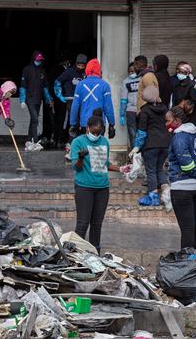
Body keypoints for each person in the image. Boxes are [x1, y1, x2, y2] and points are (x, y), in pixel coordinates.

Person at [70, 110, 119, 254]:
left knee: (97, 224)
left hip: (103, 188)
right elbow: (75, 167)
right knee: (83, 223)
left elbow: (105, 163)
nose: (96, 135)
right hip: (84, 187)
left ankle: (95, 252)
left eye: (99, 133)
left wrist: (121, 169)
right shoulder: (78, 142)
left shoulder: (104, 142)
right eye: (94, 132)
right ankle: (75, 253)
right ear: (87, 128)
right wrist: (80, 158)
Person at [166, 105, 196, 253]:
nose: (166, 124)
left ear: (177, 120)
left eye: (168, 120)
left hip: (182, 189)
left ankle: (188, 264)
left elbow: (186, 164)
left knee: (187, 229)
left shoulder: (179, 137)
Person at [129, 86, 170, 206]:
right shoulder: (164, 108)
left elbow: (142, 132)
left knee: (151, 171)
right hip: (165, 143)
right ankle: (167, 194)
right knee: (159, 169)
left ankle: (153, 197)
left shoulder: (145, 111)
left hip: (151, 144)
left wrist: (136, 146)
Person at [69, 59, 115, 140]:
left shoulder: (80, 85)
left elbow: (75, 106)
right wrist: (111, 124)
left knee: (85, 149)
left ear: (87, 70)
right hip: (99, 124)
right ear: (99, 70)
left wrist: (72, 124)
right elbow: (108, 107)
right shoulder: (105, 85)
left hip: (85, 123)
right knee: (98, 150)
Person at [20, 51, 53, 151]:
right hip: (29, 98)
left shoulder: (42, 71)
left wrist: (48, 99)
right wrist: (22, 99)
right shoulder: (27, 69)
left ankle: (29, 140)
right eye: (37, 60)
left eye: (40, 60)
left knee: (33, 120)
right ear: (33, 59)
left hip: (38, 99)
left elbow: (45, 87)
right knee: (35, 119)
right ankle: (36, 141)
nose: (39, 62)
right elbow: (23, 85)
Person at [54, 53, 87, 153]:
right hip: (71, 99)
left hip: (83, 100)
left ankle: (80, 141)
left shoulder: (85, 73)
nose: (80, 67)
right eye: (79, 65)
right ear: (76, 63)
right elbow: (57, 82)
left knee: (83, 121)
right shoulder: (69, 72)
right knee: (73, 120)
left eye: (83, 65)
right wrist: (59, 95)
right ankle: (71, 142)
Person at [171, 61, 196, 130]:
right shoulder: (178, 82)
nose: (178, 73)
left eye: (181, 72)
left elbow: (195, 100)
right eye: (178, 71)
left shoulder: (192, 83)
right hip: (181, 116)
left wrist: (184, 104)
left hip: (191, 117)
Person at [119, 62, 140, 149]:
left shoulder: (142, 79)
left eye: (134, 71)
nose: (132, 73)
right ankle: (134, 156)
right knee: (133, 134)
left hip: (141, 110)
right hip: (130, 111)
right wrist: (122, 114)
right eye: (130, 71)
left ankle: (142, 155)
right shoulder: (126, 81)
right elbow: (123, 99)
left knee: (141, 133)